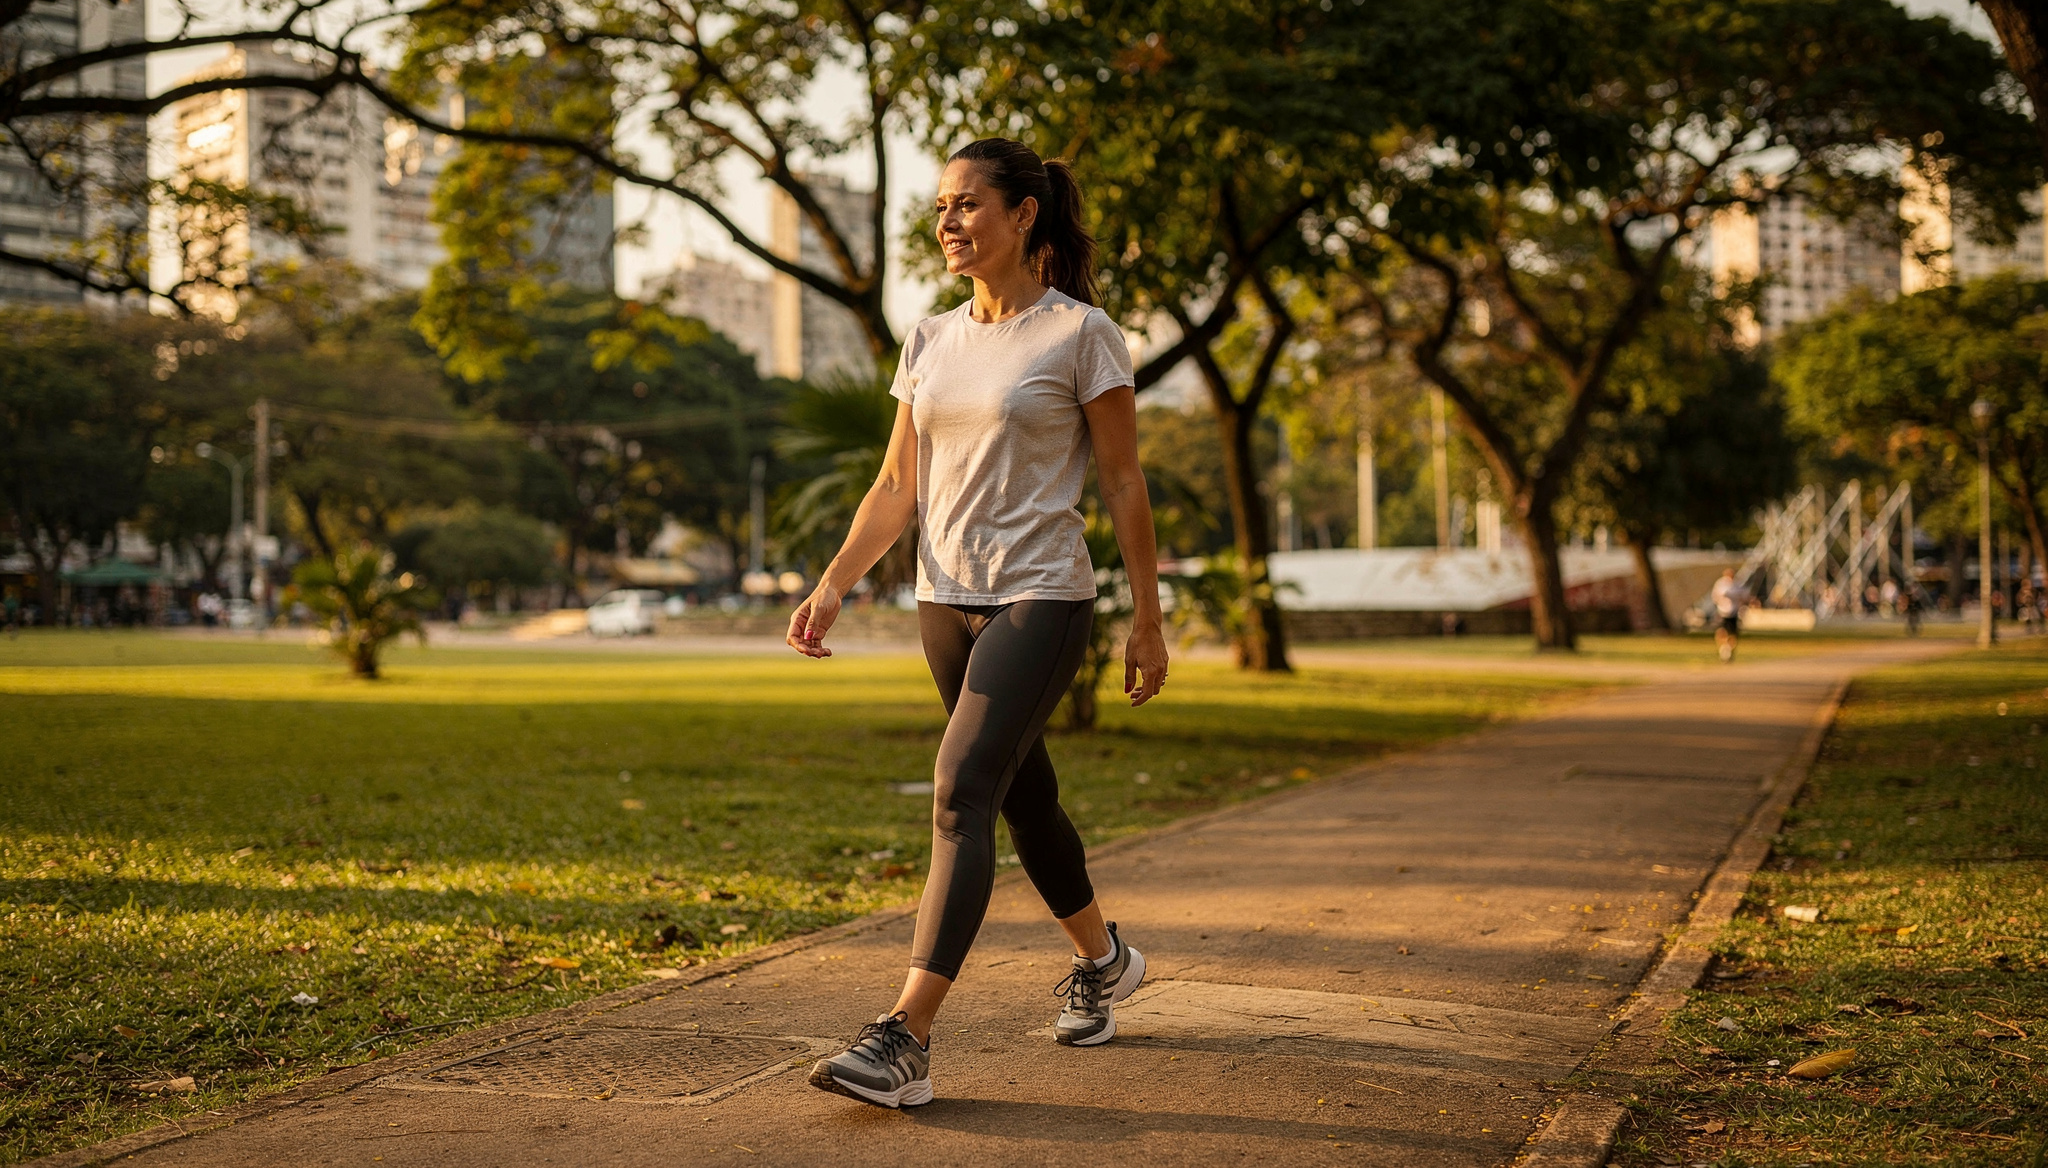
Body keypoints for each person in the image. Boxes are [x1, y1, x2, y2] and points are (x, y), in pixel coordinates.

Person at [784, 137, 1168, 1109]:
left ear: (1022, 215)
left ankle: (904, 1035)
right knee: (1022, 796)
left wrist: (1147, 619)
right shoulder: (928, 339)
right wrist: (832, 581)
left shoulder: (1081, 335)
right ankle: (1105, 958)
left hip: (1040, 594)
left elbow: (1122, 481)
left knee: (960, 789)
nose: (948, 223)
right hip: (941, 600)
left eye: (966, 205)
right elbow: (893, 484)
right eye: (940, 209)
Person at [1711, 567, 1747, 663]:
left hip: (1734, 612)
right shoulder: (1720, 584)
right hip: (1722, 611)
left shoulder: (1738, 585)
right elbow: (1715, 596)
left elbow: (1744, 598)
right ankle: (1723, 648)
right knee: (1721, 631)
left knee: (1733, 633)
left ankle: (1729, 650)